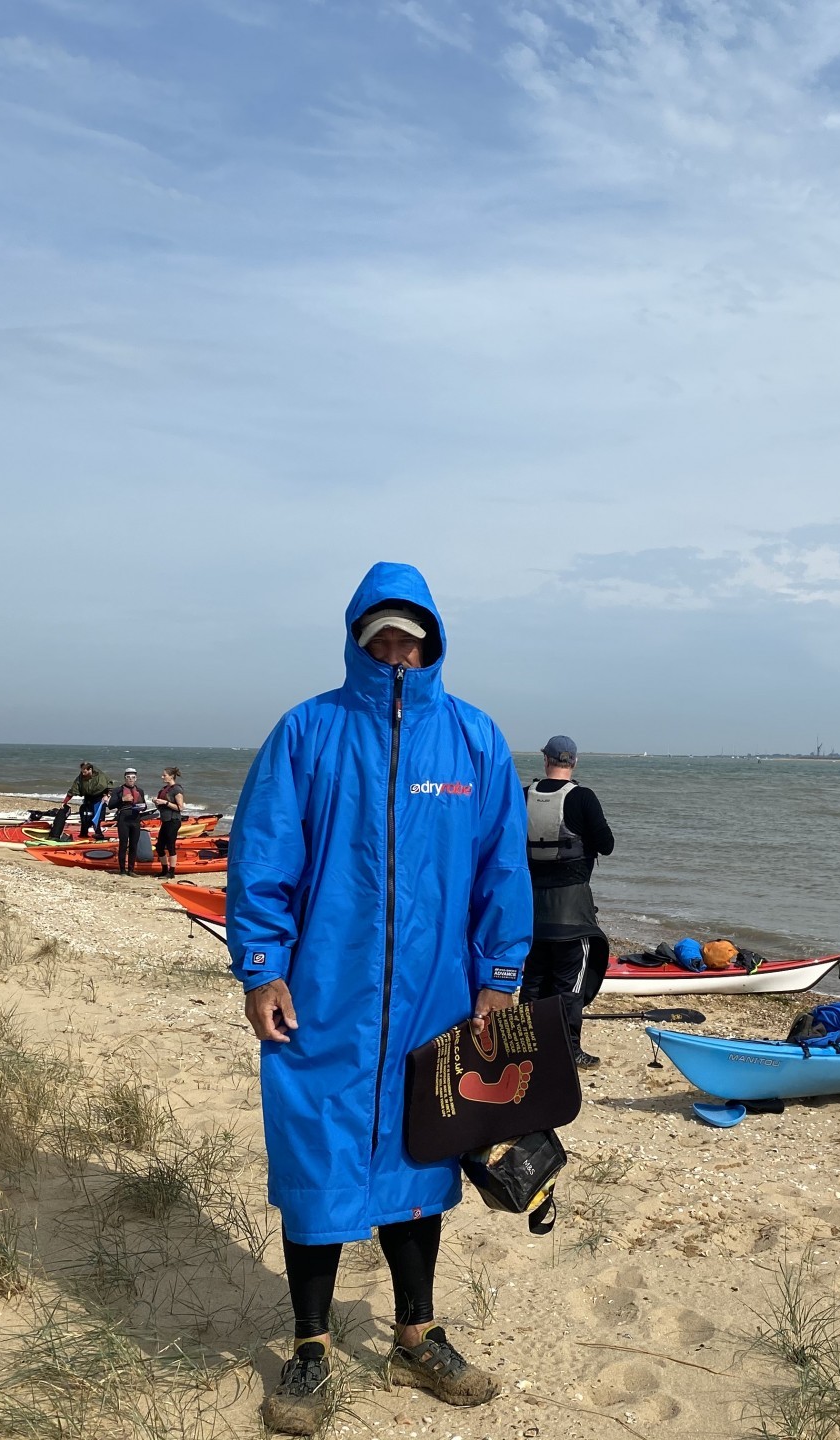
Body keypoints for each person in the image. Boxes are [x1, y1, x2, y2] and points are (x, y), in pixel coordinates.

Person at [228, 562, 532, 1435]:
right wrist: (261, 967)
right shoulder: (308, 732)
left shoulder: (474, 741)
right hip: (320, 1001)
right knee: (316, 1167)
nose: (396, 649)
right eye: (379, 637)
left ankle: (416, 1334)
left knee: (421, 1163)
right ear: (360, 641)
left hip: (433, 1005)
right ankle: (313, 1347)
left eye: (410, 635)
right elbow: (264, 859)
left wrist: (497, 981)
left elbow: (500, 872)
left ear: (433, 641)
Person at [520, 735, 615, 1068]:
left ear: (544, 759)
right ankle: (568, 1049)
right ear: (573, 762)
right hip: (572, 912)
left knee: (532, 980)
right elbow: (606, 845)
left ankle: (525, 1046)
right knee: (569, 986)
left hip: (530, 910)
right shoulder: (583, 797)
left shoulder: (523, 795)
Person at [112, 768, 150, 875]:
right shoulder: (118, 790)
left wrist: (142, 807)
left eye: (133, 777)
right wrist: (122, 800)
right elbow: (110, 805)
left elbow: (145, 806)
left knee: (134, 845)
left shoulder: (140, 791)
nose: (130, 779)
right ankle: (122, 870)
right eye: (128, 777)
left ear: (136, 779)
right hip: (123, 819)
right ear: (124, 778)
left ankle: (131, 870)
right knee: (123, 844)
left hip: (135, 819)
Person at [63, 761, 112, 839]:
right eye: (82, 772)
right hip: (88, 798)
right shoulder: (80, 778)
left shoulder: (100, 776)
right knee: (85, 816)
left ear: (90, 770)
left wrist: (107, 795)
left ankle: (98, 834)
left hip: (98, 799)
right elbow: (73, 790)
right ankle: (83, 833)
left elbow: (109, 786)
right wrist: (65, 802)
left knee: (96, 818)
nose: (83, 774)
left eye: (85, 772)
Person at [154, 767, 185, 878]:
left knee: (170, 846)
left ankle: (171, 872)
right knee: (159, 846)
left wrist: (165, 802)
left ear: (171, 776)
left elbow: (180, 807)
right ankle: (164, 869)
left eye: (164, 775)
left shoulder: (177, 789)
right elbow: (161, 808)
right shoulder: (163, 789)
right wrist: (157, 802)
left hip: (174, 820)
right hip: (165, 820)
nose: (162, 777)